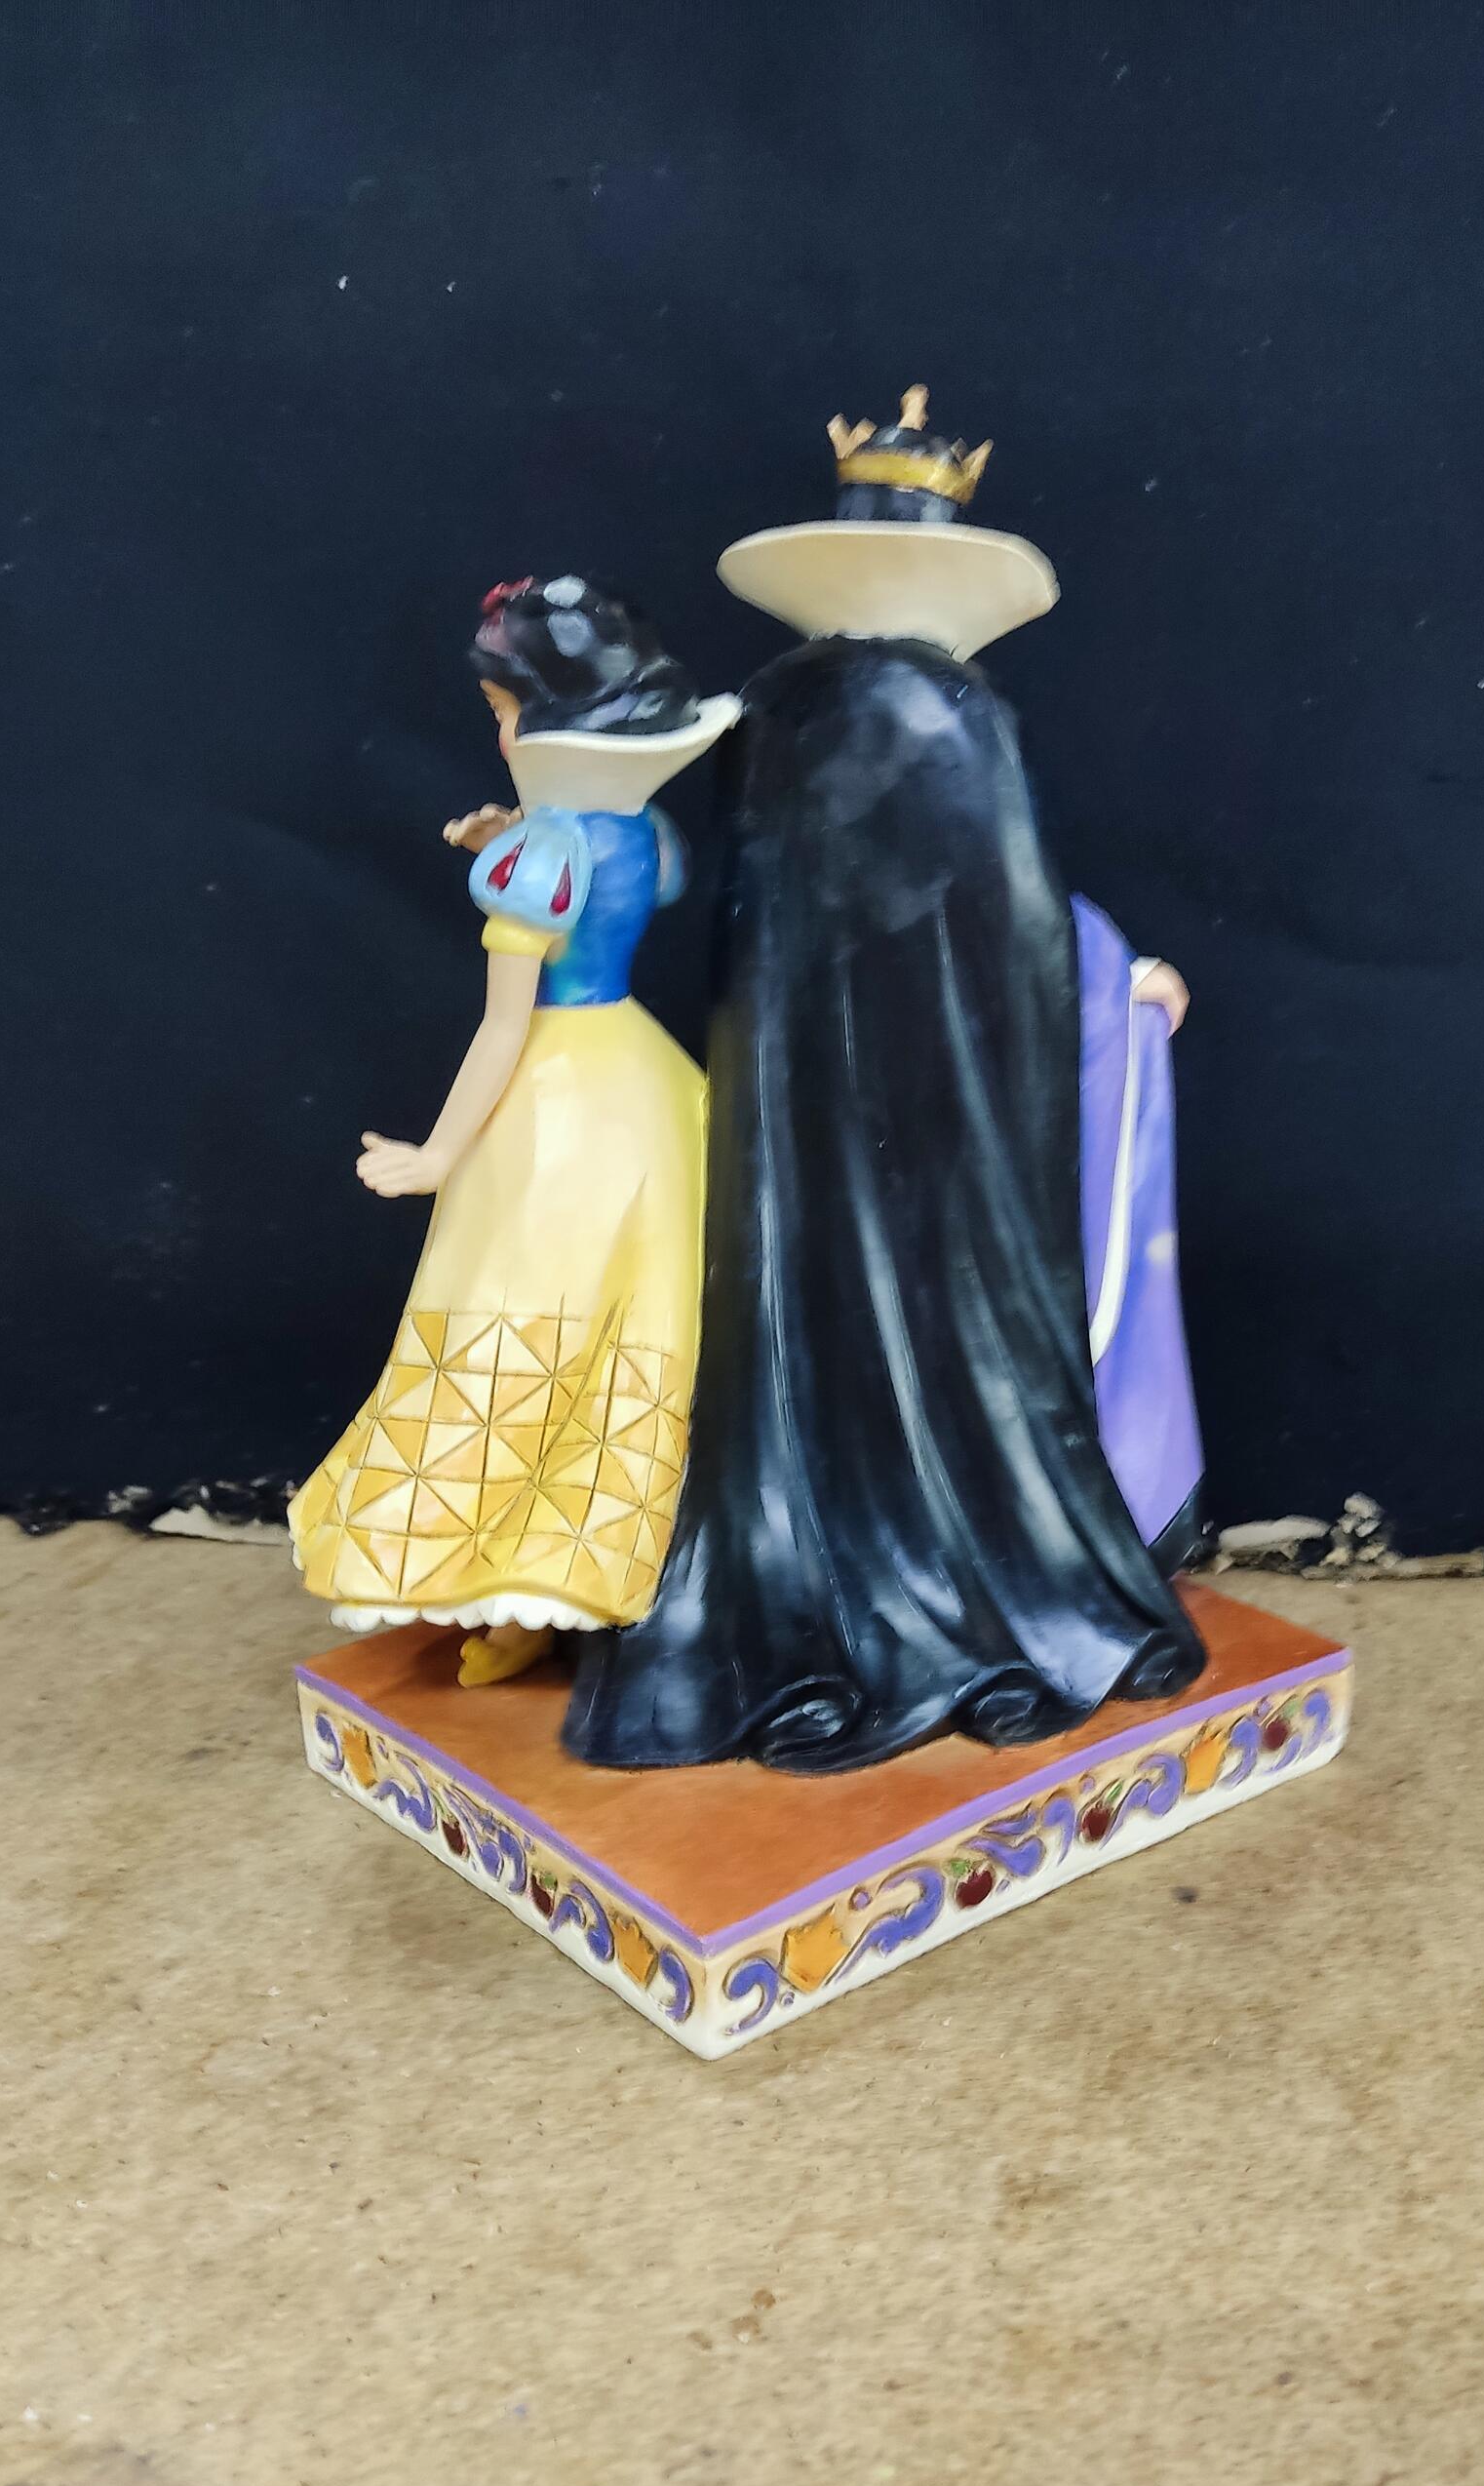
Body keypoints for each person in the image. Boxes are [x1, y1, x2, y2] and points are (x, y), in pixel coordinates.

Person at [566, 394, 1204, 1773]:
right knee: (940, 1327)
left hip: (800, 1109)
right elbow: (1012, 930)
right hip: (936, 1131)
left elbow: (907, 911)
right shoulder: (951, 712)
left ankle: (815, 1563)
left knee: (811, 1322)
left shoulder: (775, 713)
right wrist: (1112, 978)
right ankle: (960, 1561)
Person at [290, 576, 738, 1684]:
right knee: (628, 1321)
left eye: (502, 711)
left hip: (558, 1096)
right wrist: (512, 842)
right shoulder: (647, 834)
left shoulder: (540, 860)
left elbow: (503, 1027)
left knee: (523, 1313)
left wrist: (437, 1154)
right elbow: (613, 891)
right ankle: (600, 1567)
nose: (497, 731)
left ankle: (525, 1574)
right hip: (645, 1082)